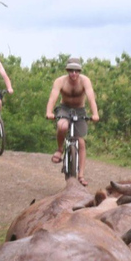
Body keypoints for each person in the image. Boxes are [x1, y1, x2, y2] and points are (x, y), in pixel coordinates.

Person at [45, 57, 100, 187]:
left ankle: (80, 175)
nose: (73, 74)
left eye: (76, 71)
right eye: (71, 70)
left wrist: (95, 114)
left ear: (80, 71)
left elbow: (91, 97)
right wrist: (49, 112)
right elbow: (53, 96)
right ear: (67, 70)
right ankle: (59, 150)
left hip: (79, 110)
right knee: (62, 126)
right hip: (64, 109)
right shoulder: (60, 81)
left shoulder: (85, 81)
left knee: (80, 142)